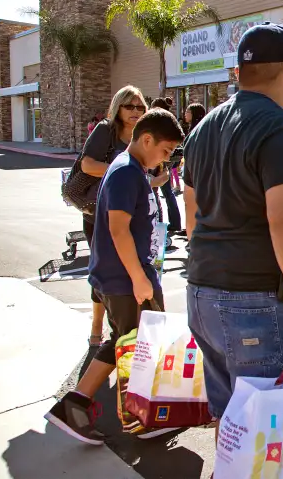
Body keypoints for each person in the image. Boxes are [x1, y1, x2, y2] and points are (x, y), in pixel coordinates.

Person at [182, 24, 283, 445]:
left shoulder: (203, 128)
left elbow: (192, 217)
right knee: (278, 435)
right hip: (258, 302)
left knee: (233, 421)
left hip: (203, 293)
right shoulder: (280, 129)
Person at [45, 108, 185, 444]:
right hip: (125, 279)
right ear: (146, 139)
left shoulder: (132, 169)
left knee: (126, 340)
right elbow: (118, 230)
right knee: (137, 344)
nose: (166, 158)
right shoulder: (125, 172)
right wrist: (138, 278)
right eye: (165, 150)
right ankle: (139, 418)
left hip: (128, 276)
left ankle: (76, 405)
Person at [79, 86, 149, 347]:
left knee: (132, 270)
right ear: (118, 107)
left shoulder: (145, 134)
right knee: (105, 274)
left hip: (134, 210)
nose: (135, 111)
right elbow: (87, 164)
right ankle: (98, 325)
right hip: (99, 210)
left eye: (140, 107)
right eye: (129, 106)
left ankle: (126, 337)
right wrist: (121, 169)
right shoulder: (105, 131)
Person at [149, 98, 180, 234]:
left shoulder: (158, 123)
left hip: (159, 163)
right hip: (164, 163)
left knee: (157, 193)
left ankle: (160, 228)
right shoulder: (171, 121)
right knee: (166, 193)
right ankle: (173, 223)